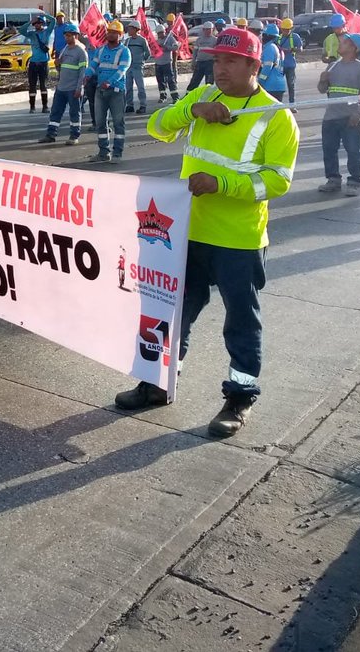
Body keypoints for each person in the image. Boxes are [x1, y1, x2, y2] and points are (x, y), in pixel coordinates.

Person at [115, 26, 300, 438]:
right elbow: (158, 127)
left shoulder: (275, 117)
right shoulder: (203, 97)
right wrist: (192, 111)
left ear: (254, 65)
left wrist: (221, 184)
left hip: (238, 239)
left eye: (230, 61)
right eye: (216, 60)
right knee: (172, 311)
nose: (220, 68)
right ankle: (158, 383)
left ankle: (239, 397)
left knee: (241, 322)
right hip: (187, 232)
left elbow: (277, 182)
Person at [317, 32, 360, 197]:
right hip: (331, 117)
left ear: (354, 48)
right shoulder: (333, 66)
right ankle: (333, 179)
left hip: (351, 119)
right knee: (329, 150)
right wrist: (322, 80)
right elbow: (322, 90)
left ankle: (354, 182)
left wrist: (358, 114)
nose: (340, 44)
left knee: (354, 151)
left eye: (345, 43)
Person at [86, 19, 131, 163]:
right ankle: (103, 152)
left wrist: (109, 82)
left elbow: (122, 70)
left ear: (120, 35)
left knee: (118, 122)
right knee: (100, 123)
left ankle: (117, 153)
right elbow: (93, 65)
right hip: (100, 91)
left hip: (116, 91)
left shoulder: (125, 51)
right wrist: (87, 75)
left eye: (114, 33)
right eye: (109, 32)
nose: (110, 35)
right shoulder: (101, 50)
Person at [38, 21, 87, 145]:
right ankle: (50, 134)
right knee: (55, 111)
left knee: (74, 113)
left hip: (73, 89)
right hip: (61, 88)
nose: (66, 37)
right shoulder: (65, 49)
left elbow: (83, 72)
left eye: (69, 35)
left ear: (76, 36)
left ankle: (74, 136)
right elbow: (62, 68)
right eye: (66, 35)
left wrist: (79, 88)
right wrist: (57, 64)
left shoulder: (81, 52)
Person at [20, 13, 52, 113]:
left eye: (39, 23)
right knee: (32, 86)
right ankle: (32, 107)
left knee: (43, 85)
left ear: (43, 23)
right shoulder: (32, 34)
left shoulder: (47, 32)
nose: (37, 25)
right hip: (33, 63)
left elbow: (54, 21)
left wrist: (45, 15)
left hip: (43, 63)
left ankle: (45, 106)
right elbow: (21, 30)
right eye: (36, 23)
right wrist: (30, 21)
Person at [123, 21, 150, 114]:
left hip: (137, 67)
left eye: (130, 28)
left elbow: (148, 53)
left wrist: (142, 61)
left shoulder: (142, 40)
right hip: (129, 67)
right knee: (128, 87)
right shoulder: (127, 41)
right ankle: (129, 105)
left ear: (136, 29)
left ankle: (143, 105)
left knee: (140, 87)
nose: (129, 30)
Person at [258, 22, 287, 99]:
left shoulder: (270, 48)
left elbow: (267, 67)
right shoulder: (278, 48)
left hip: (270, 86)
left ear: (268, 36)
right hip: (279, 85)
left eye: (264, 35)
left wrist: (259, 82)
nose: (262, 37)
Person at [186, 22, 219, 92]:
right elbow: (195, 52)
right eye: (206, 29)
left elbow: (217, 54)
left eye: (209, 29)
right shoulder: (199, 40)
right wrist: (193, 62)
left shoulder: (215, 40)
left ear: (212, 30)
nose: (207, 31)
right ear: (203, 30)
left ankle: (208, 98)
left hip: (210, 63)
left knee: (209, 82)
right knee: (195, 80)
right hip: (200, 63)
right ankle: (188, 95)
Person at [277, 17, 303, 104]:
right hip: (281, 65)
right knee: (279, 86)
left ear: (291, 29)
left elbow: (300, 49)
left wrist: (292, 49)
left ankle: (292, 104)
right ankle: (278, 104)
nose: (285, 31)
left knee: (291, 85)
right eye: (284, 29)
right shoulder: (279, 38)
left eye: (287, 29)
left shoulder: (295, 37)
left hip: (290, 65)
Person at [154, 22, 179, 103]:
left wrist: (167, 47)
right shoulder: (157, 41)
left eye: (161, 33)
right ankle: (163, 96)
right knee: (160, 81)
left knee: (170, 80)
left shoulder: (170, 38)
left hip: (167, 63)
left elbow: (176, 47)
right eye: (159, 33)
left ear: (164, 32)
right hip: (158, 63)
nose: (160, 35)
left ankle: (175, 97)